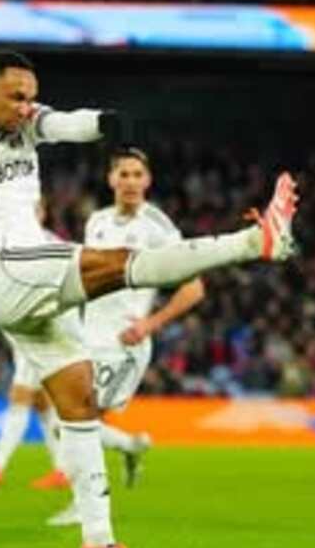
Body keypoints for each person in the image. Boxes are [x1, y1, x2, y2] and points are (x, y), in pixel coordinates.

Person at [0, 49, 297, 548]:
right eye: (16, 97)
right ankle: (254, 241)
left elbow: (63, 123)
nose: (27, 107)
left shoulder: (28, 124)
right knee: (122, 266)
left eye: (31, 96)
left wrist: (104, 124)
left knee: (78, 403)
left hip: (27, 273)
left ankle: (97, 547)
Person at [46, 146, 205, 527]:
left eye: (138, 175)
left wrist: (150, 324)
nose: (131, 181)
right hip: (87, 336)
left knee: (71, 423)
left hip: (123, 343)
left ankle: (89, 506)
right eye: (124, 174)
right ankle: (129, 448)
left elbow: (194, 287)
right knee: (65, 422)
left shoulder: (159, 228)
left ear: (148, 181)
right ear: (111, 179)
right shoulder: (96, 221)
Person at [0, 199, 68, 490]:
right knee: (41, 401)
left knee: (20, 396)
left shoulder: (51, 245)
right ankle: (63, 468)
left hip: (39, 332)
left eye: (35, 210)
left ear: (43, 213)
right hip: (23, 333)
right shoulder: (5, 246)